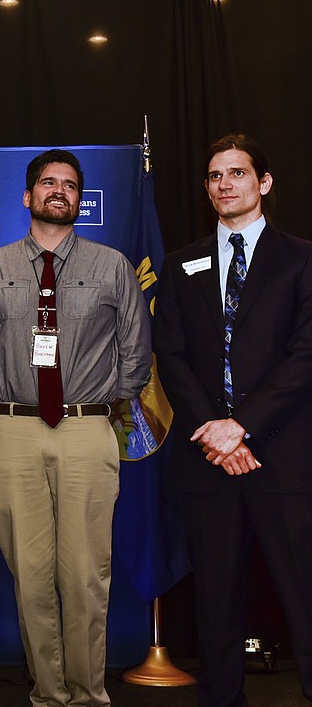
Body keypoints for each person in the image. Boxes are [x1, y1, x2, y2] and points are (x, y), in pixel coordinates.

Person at [0, 149, 151, 707]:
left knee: (85, 578)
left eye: (70, 185)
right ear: (27, 195)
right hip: (17, 429)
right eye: (48, 183)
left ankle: (88, 696)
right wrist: (18, 393)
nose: (59, 192)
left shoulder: (112, 265)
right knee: (30, 575)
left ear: (80, 197)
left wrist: (94, 399)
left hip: (87, 431)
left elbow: (135, 354)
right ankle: (47, 697)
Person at [154, 134, 312, 706]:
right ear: (207, 189)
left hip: (281, 455)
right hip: (208, 461)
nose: (226, 184)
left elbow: (304, 355)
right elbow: (169, 357)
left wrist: (240, 426)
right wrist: (215, 433)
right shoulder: (180, 265)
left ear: (263, 183)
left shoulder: (302, 258)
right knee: (216, 604)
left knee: (303, 596)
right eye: (216, 176)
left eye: (238, 173)